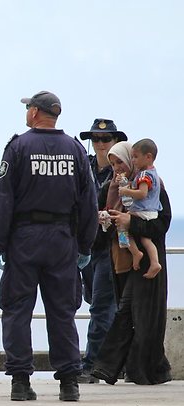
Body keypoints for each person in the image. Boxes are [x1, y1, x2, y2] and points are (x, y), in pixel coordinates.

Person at [0, 91, 98, 402]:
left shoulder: (18, 147)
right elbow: (88, 201)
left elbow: (4, 198)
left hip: (24, 239)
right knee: (62, 312)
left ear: (35, 112)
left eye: (28, 108)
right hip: (63, 240)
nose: (27, 112)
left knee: (17, 310)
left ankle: (20, 382)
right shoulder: (75, 149)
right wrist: (85, 245)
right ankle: (69, 383)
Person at [92, 141, 172, 385]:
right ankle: (135, 369)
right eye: (113, 163)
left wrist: (131, 223)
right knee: (130, 313)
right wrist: (107, 221)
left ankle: (113, 368)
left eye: (121, 163)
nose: (117, 168)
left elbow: (161, 224)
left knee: (140, 314)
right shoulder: (112, 187)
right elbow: (101, 227)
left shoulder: (151, 186)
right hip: (121, 259)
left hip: (147, 260)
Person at [77, 118, 127, 383]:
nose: (100, 144)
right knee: (94, 302)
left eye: (105, 139)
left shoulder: (124, 172)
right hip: (85, 245)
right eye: (95, 139)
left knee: (102, 307)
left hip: (111, 246)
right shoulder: (81, 166)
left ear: (116, 142)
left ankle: (92, 365)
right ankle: (115, 363)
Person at [119, 139, 162, 277]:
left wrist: (126, 191)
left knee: (122, 226)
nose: (132, 160)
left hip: (143, 210)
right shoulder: (153, 173)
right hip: (152, 211)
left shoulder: (144, 175)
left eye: (135, 157)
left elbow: (142, 193)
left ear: (148, 157)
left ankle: (135, 252)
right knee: (145, 239)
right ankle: (155, 262)